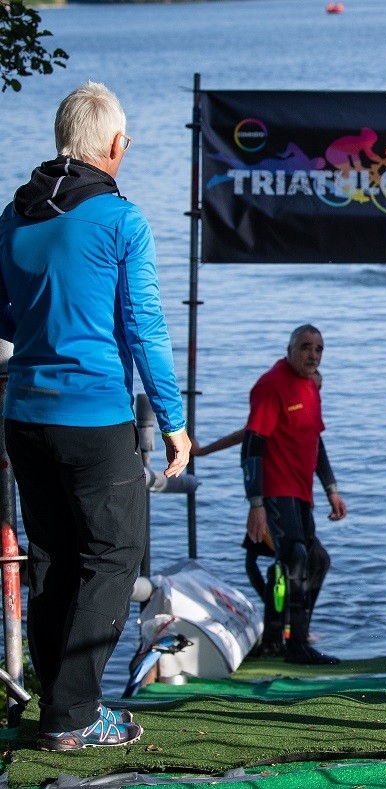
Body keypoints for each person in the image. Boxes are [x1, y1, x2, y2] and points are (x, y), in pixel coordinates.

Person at [0, 82, 191, 751]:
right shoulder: (120, 219)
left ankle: (59, 707)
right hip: (94, 419)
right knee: (114, 554)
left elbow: (4, 315)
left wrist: (45, 326)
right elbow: (145, 329)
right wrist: (173, 420)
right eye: (126, 143)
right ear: (114, 144)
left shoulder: (14, 214)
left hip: (25, 415)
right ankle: (74, 713)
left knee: (53, 559)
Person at [193, 371, 323, 658]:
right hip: (268, 499)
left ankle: (287, 628)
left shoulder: (303, 416)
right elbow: (247, 439)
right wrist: (203, 452)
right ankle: (282, 629)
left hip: (287, 501)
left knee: (300, 561)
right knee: (268, 561)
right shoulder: (278, 406)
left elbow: (311, 451)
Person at [242, 325, 346, 665]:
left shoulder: (311, 385)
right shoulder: (271, 385)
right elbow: (252, 445)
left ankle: (277, 637)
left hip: (301, 492)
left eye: (318, 349)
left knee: (315, 561)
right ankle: (296, 643)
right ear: (289, 349)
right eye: (305, 347)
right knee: (298, 558)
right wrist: (255, 503)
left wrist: (331, 489)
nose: (312, 355)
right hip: (275, 491)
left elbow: (316, 441)